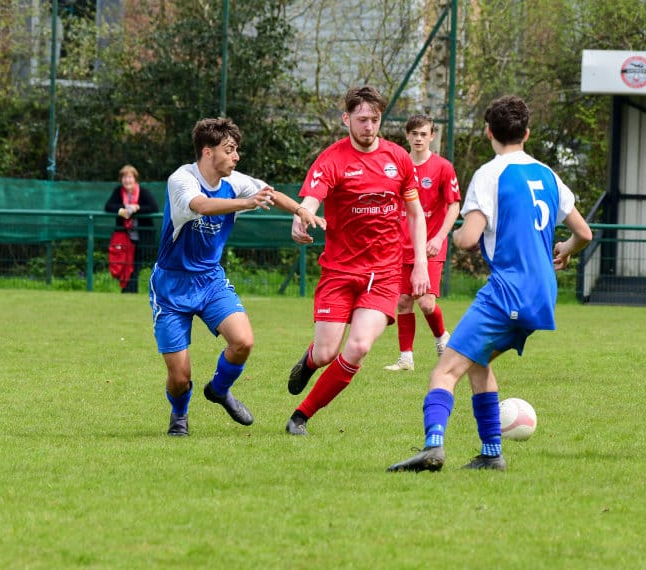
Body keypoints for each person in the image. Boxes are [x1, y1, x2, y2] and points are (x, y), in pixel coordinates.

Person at [387, 95, 592, 472]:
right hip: (543, 294)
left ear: (488, 133)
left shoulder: (490, 174)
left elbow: (468, 238)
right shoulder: (548, 174)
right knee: (477, 362)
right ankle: (491, 453)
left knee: (444, 371)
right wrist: (565, 248)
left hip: (507, 291)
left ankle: (433, 446)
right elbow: (584, 233)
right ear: (526, 133)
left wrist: (448, 235)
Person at [151, 117, 325, 437]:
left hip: (210, 280)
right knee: (179, 377)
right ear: (208, 152)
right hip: (172, 285)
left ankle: (219, 390)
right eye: (229, 149)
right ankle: (179, 415)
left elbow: (270, 194)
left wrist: (301, 211)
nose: (236, 156)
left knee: (243, 341)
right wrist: (246, 203)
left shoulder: (235, 181)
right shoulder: (182, 179)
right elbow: (201, 205)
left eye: (235, 149)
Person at [285, 85, 430, 436]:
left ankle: (300, 417)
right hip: (339, 271)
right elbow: (311, 199)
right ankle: (310, 361)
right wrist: (301, 217)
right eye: (362, 119)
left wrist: (421, 263)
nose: (369, 126)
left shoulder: (398, 159)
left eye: (375, 119)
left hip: (383, 273)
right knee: (325, 353)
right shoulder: (332, 159)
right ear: (346, 119)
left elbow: (415, 215)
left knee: (360, 346)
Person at [382, 115, 461, 372]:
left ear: (431, 136)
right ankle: (406, 359)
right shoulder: (395, 166)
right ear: (407, 135)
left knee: (426, 302)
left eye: (423, 134)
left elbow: (454, 205)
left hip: (430, 246)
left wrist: (439, 237)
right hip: (399, 245)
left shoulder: (443, 167)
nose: (418, 138)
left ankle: (441, 338)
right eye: (414, 133)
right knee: (403, 301)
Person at [104, 164, 160, 293]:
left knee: (134, 267)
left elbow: (154, 208)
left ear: (135, 179)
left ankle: (129, 292)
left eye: (129, 177)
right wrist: (123, 210)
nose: (127, 180)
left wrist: (136, 208)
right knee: (125, 266)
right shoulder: (118, 192)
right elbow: (108, 206)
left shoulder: (143, 192)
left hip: (143, 238)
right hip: (125, 238)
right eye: (124, 177)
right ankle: (128, 292)